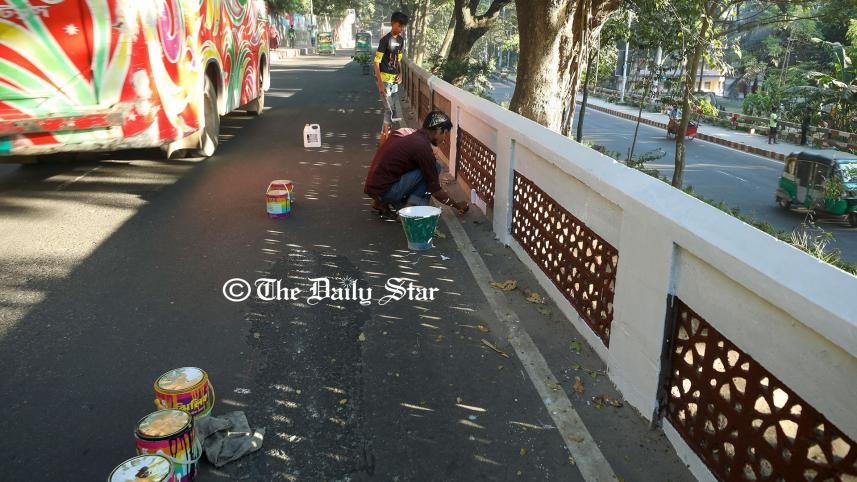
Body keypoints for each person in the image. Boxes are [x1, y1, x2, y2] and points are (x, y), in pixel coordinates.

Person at [364, 110, 469, 217]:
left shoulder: (405, 131)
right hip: (386, 191)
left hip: (374, 188)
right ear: (438, 130)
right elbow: (435, 190)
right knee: (434, 168)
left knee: (424, 167)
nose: (444, 139)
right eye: (445, 133)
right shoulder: (422, 147)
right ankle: (410, 212)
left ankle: (380, 202)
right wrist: (457, 205)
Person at [375, 11, 408, 145]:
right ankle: (384, 141)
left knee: (392, 110)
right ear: (393, 24)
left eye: (403, 26)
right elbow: (376, 62)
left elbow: (399, 60)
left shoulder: (401, 40)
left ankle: (383, 138)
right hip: (384, 79)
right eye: (400, 26)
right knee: (388, 109)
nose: (402, 29)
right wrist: (380, 83)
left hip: (394, 81)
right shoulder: (385, 40)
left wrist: (400, 74)